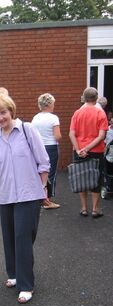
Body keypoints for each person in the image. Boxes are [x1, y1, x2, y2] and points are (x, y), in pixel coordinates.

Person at [0, 94, 50, 304]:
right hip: (5, 195)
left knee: (23, 238)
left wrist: (42, 187)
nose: (0, 118)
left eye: (3, 112)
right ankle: (14, 274)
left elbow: (43, 162)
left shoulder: (27, 130)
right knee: (10, 238)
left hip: (29, 194)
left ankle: (26, 285)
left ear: (11, 111)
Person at [69, 87, 108, 218]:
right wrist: (88, 148)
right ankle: (95, 210)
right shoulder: (100, 113)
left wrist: (80, 149)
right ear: (96, 99)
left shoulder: (77, 113)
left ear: (84, 98)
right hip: (96, 151)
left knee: (81, 177)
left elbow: (71, 134)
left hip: (79, 151)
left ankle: (84, 208)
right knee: (96, 179)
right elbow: (101, 136)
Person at [32, 93, 62, 209]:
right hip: (51, 147)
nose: (54, 105)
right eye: (53, 103)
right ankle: (48, 200)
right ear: (49, 104)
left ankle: (40, 197)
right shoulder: (53, 118)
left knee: (39, 173)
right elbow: (57, 136)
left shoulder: (36, 118)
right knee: (51, 173)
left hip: (38, 147)